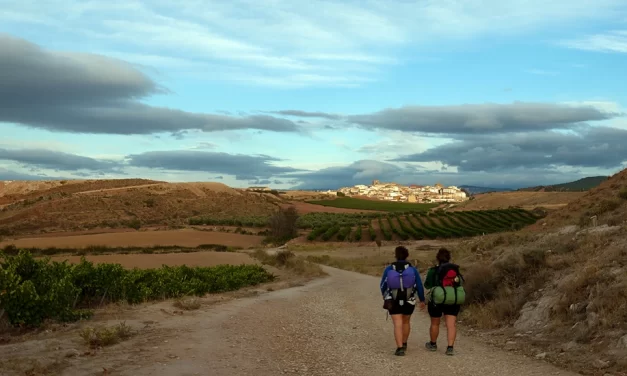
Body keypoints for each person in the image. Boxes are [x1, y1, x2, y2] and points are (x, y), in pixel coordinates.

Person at [380, 245, 426, 356]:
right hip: (409, 300)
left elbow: (382, 285)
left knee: (397, 324)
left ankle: (399, 348)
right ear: (407, 256)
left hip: (393, 299)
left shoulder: (389, 269)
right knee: (406, 322)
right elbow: (419, 285)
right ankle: (404, 343)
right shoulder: (412, 269)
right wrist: (422, 300)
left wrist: (385, 296)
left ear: (395, 256)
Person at [424, 247, 462, 356]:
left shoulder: (433, 270)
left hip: (437, 300)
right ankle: (450, 348)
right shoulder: (455, 270)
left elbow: (427, 285)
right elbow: (459, 284)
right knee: (451, 324)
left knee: (435, 323)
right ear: (449, 258)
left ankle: (433, 344)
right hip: (452, 300)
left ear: (437, 258)